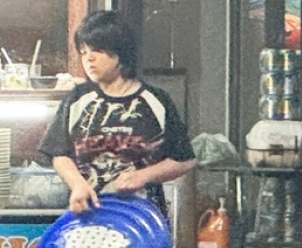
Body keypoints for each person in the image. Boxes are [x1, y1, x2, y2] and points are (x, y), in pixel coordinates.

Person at [40, 11, 196, 214]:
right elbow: (58, 153)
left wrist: (144, 176)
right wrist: (78, 184)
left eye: (97, 50)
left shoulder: (156, 100)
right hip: (87, 215)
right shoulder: (77, 99)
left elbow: (184, 159)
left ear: (120, 51)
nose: (89, 59)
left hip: (142, 217)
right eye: (84, 51)